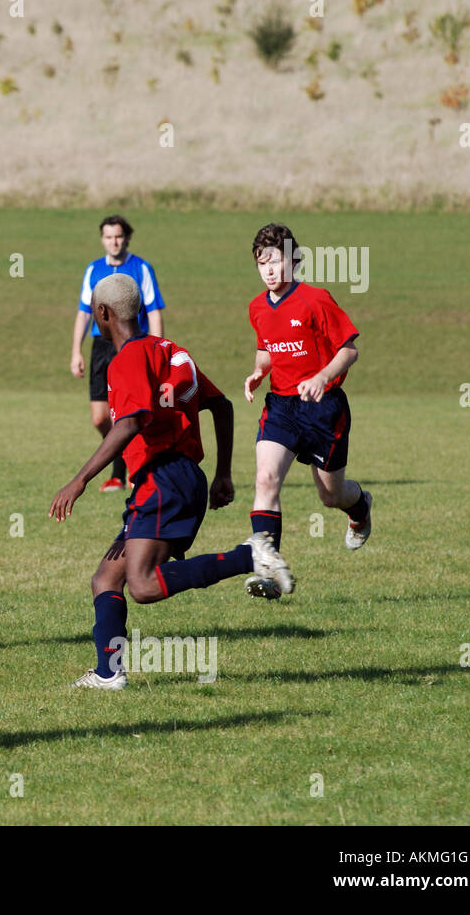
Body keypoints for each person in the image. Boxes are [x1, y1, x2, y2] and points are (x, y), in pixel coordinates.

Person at [50, 273, 293, 689]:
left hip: (162, 478)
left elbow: (131, 422)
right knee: (107, 577)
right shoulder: (173, 352)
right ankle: (109, 673)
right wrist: (221, 474)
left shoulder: (126, 359)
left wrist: (80, 480)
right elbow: (222, 405)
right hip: (179, 479)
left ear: (104, 314)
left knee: (142, 585)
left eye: (95, 312)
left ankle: (250, 556)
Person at [243, 223, 372, 599]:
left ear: (294, 260)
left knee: (330, 496)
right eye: (261, 263)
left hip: (323, 408)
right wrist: (257, 372)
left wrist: (322, 376)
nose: (268, 270)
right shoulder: (257, 307)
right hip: (281, 406)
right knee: (265, 480)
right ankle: (269, 571)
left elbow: (349, 350)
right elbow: (266, 349)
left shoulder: (316, 300)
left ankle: (360, 506)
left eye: (275, 260)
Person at [70, 215, 166, 493]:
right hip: (101, 347)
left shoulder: (141, 268)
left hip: (132, 347)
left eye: (119, 236)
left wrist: (157, 349)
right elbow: (83, 313)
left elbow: (154, 311)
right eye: (109, 237)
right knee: (101, 418)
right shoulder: (93, 269)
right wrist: (76, 350)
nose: (114, 241)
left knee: (130, 414)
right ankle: (125, 458)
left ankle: (122, 473)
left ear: (127, 238)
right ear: (102, 239)